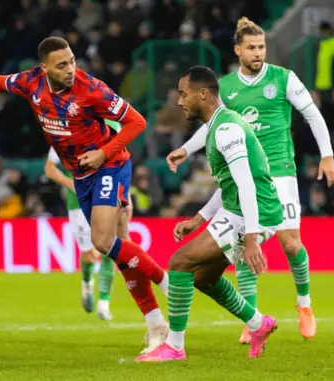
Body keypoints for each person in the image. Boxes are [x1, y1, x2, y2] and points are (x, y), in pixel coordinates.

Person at [0, 36, 169, 354]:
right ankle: (157, 325)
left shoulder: (91, 88)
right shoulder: (30, 82)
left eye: (73, 60)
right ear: (44, 67)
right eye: (62, 64)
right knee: (117, 252)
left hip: (111, 166)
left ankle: (167, 283)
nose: (71, 69)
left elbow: (136, 121)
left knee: (103, 243)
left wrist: (103, 153)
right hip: (81, 177)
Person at [166, 17, 334, 343]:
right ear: (238, 50)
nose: (258, 53)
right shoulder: (226, 88)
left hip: (280, 174)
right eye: (251, 47)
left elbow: (312, 114)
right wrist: (187, 150)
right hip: (245, 172)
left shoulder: (283, 78)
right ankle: (253, 318)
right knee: (245, 241)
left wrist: (327, 155)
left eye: (261, 47)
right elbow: (212, 125)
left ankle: (304, 304)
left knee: (290, 244)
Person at [136, 66, 281, 362]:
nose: (179, 101)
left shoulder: (227, 130)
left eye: (183, 93)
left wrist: (251, 239)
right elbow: (229, 184)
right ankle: (258, 324)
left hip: (254, 213)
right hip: (239, 209)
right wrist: (199, 219)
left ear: (203, 94)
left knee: (178, 264)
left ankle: (174, 347)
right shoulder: (218, 126)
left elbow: (246, 184)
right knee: (202, 278)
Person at [45, 144, 118, 320]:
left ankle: (104, 304)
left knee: (110, 249)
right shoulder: (63, 136)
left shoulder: (106, 132)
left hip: (107, 196)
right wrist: (71, 183)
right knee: (89, 255)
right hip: (79, 203)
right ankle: (87, 282)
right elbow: (49, 169)